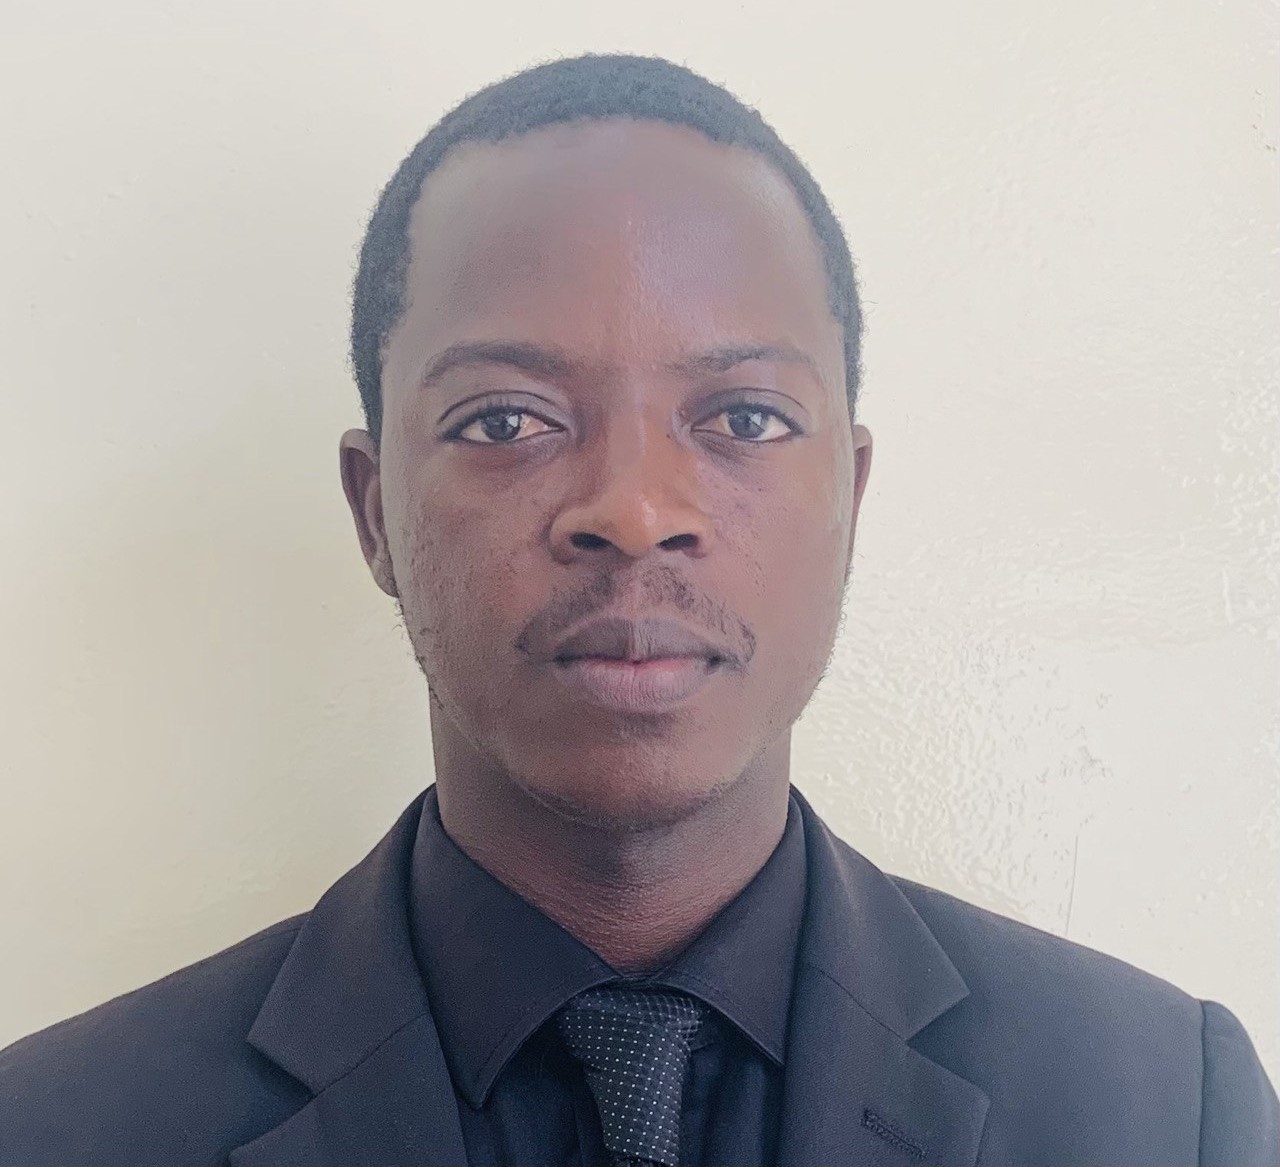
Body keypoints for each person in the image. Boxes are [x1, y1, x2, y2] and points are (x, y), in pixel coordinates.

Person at [1, 52, 1275, 1167]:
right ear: (374, 508)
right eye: (505, 420)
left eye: (743, 418)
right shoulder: (57, 1128)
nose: (632, 507)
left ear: (850, 497)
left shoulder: (1169, 1110)